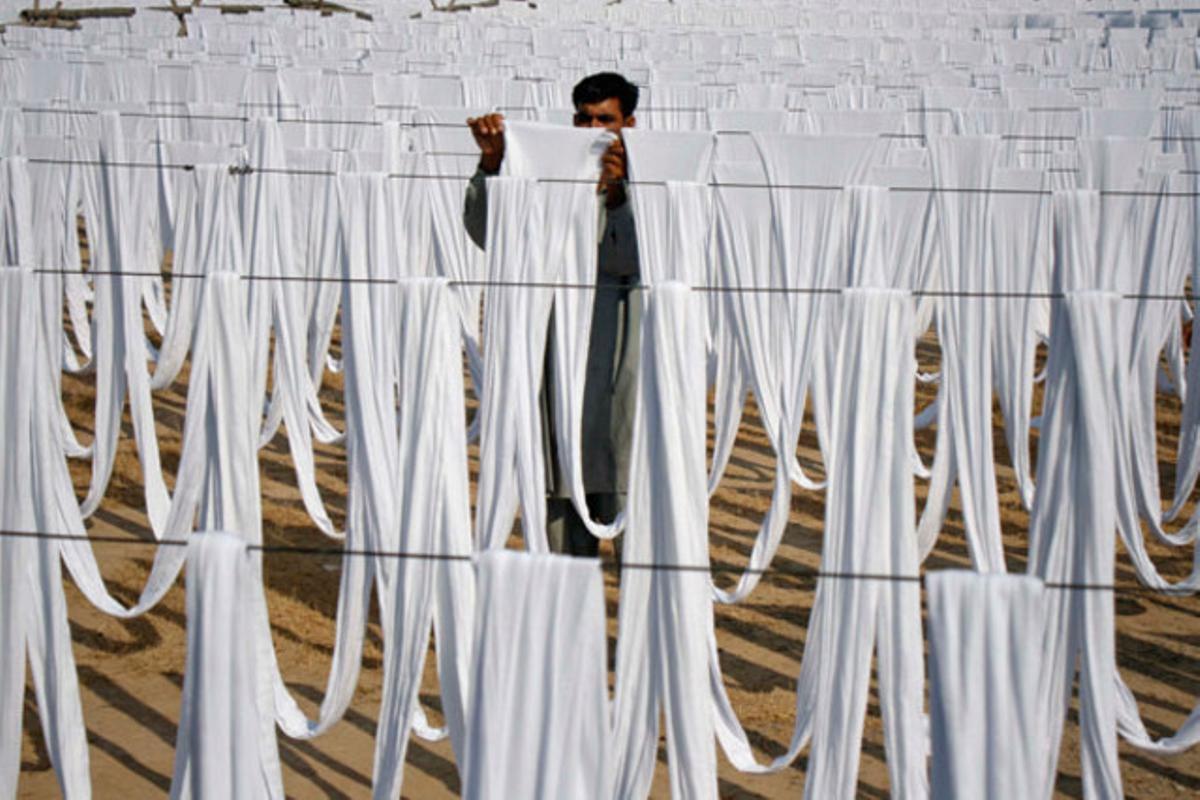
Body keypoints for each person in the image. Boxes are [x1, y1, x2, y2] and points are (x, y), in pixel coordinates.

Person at [463, 72, 641, 556]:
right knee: (563, 553)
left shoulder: (656, 183)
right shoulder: (547, 173)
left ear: (630, 123)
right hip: (560, 390)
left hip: (621, 393)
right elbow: (490, 235)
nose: (592, 129)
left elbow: (632, 259)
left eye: (605, 119)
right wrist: (493, 164)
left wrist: (620, 192)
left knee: (638, 543)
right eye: (583, 119)